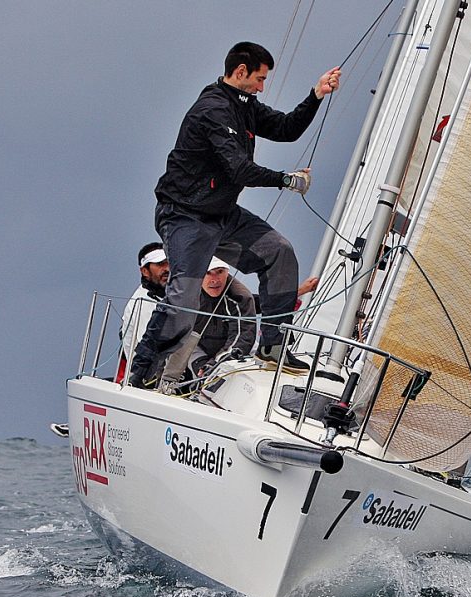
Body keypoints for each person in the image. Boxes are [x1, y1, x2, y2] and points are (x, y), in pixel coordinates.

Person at [127, 41, 341, 389]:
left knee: (279, 251)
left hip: (222, 215)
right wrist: (285, 180)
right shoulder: (213, 109)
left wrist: (316, 95)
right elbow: (240, 169)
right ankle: (143, 374)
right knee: (183, 296)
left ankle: (273, 345)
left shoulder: (245, 106)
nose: (262, 86)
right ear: (240, 72)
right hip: (184, 215)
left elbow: (287, 129)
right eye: (259, 79)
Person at [186, 257, 257, 379]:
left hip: (237, 349)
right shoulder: (186, 293)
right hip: (197, 348)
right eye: (208, 273)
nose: (215, 280)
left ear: (227, 272)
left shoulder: (240, 297)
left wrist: (214, 364)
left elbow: (242, 338)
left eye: (219, 272)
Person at [118, 242, 170, 379]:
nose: (166, 269)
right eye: (159, 265)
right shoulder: (143, 302)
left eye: (168, 263)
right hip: (147, 380)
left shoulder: (166, 296)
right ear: (145, 271)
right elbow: (150, 349)